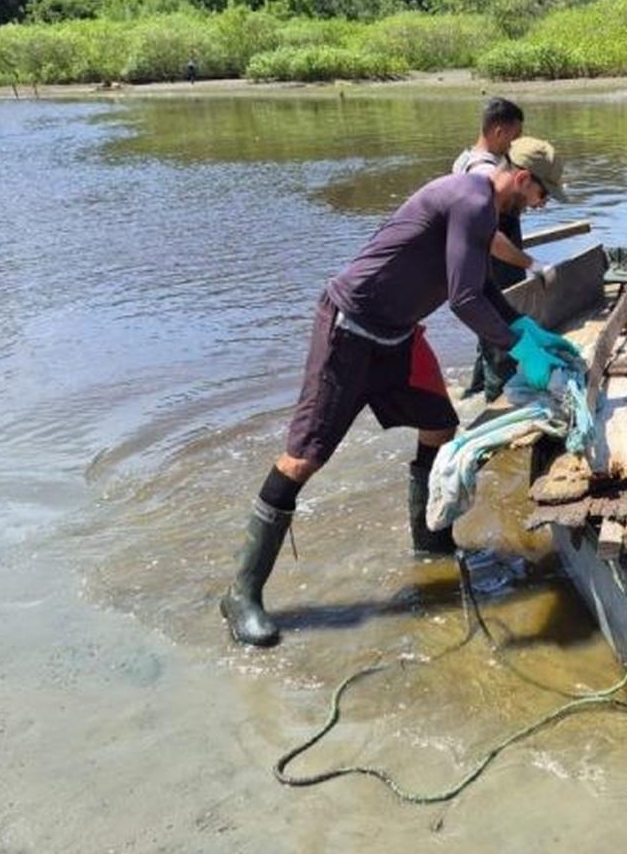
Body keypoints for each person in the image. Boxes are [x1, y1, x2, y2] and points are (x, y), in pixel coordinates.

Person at [219, 137, 578, 648]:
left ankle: (429, 543)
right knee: (303, 459)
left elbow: (481, 287)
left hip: (396, 335)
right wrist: (520, 351)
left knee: (439, 423)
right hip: (351, 330)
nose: (542, 205)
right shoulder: (473, 202)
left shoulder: (481, 207)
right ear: (522, 178)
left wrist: (526, 328)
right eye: (544, 194)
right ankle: (242, 594)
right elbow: (463, 298)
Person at [454, 97, 556, 399]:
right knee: (500, 342)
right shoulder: (484, 177)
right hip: (494, 265)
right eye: (515, 135)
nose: (515, 144)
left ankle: (475, 392)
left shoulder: (467, 160)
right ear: (498, 131)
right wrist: (532, 264)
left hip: (481, 272)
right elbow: (492, 236)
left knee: (489, 332)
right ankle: (496, 399)